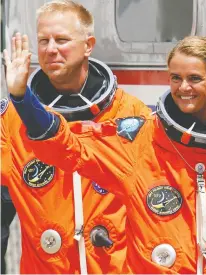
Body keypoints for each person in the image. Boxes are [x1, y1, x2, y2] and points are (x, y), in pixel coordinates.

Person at [4, 34, 206, 274]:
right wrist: (23, 99)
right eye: (175, 78)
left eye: (194, 78)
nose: (183, 88)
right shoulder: (141, 140)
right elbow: (69, 148)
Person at [1, 0, 151, 273]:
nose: (51, 49)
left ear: (88, 45)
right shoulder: (11, 119)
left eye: (61, 39)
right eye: (43, 40)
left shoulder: (129, 114)